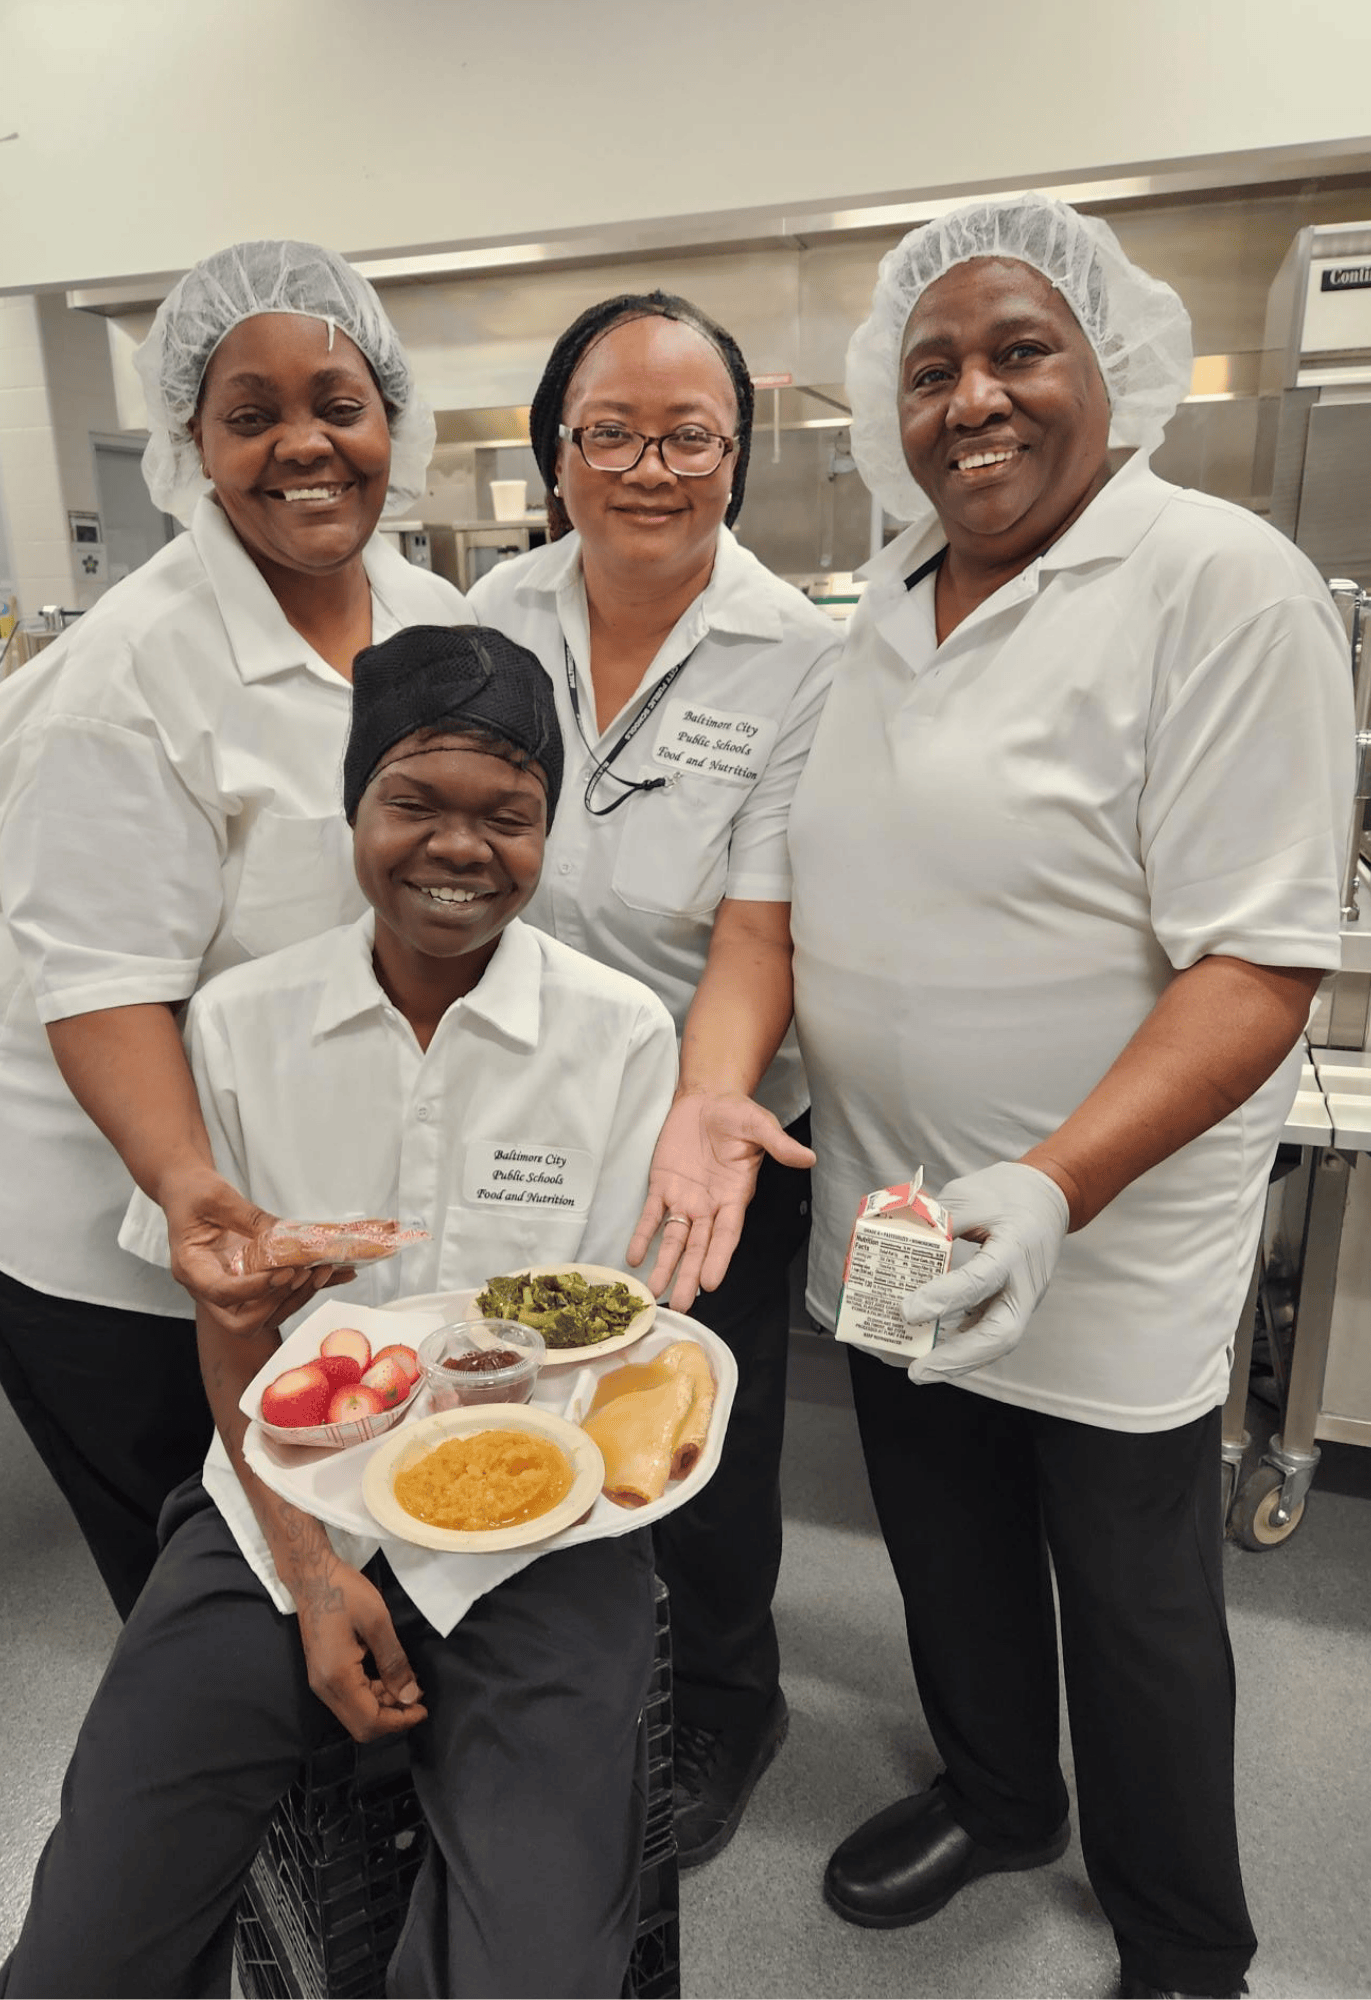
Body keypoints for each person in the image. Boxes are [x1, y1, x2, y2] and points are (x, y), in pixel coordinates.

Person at [769, 194, 1352, 1999]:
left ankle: (1186, 1935)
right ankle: (1005, 1800)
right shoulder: (885, 600)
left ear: (1116, 370)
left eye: (1022, 351)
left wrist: (1055, 1181)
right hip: (890, 1200)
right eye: (932, 368)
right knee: (942, 1541)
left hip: (1108, 1226)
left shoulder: (1215, 580)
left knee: (1137, 1600)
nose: (975, 401)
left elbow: (1259, 964)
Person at [0, 626, 679, 1999]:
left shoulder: (620, 1036)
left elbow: (605, 1346)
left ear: (548, 833)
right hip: (277, 1501)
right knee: (87, 1942)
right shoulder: (243, 1026)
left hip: (539, 1530)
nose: (459, 847)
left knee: (536, 1966)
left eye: (508, 815)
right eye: (414, 800)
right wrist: (309, 1571)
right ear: (353, 809)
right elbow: (233, 1328)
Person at [0, 241, 468, 1620]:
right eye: (250, 415)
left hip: (246, 1174)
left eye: (338, 403)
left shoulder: (432, 618)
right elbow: (104, 993)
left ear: (393, 418)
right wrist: (190, 1188)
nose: (303, 445)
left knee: (312, 1525)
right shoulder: (124, 678)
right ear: (193, 449)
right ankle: (245, 1805)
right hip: (86, 1194)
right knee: (205, 1555)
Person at [466, 290, 841, 1866]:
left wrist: (699, 1113)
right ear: (559, 453)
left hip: (717, 1124)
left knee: (696, 1436)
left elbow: (759, 923)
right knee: (533, 1394)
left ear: (738, 459)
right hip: (530, 1109)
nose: (649, 465)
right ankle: (554, 1674)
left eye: (691, 435)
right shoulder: (494, 606)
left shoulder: (801, 654)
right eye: (609, 431)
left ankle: (724, 1705)